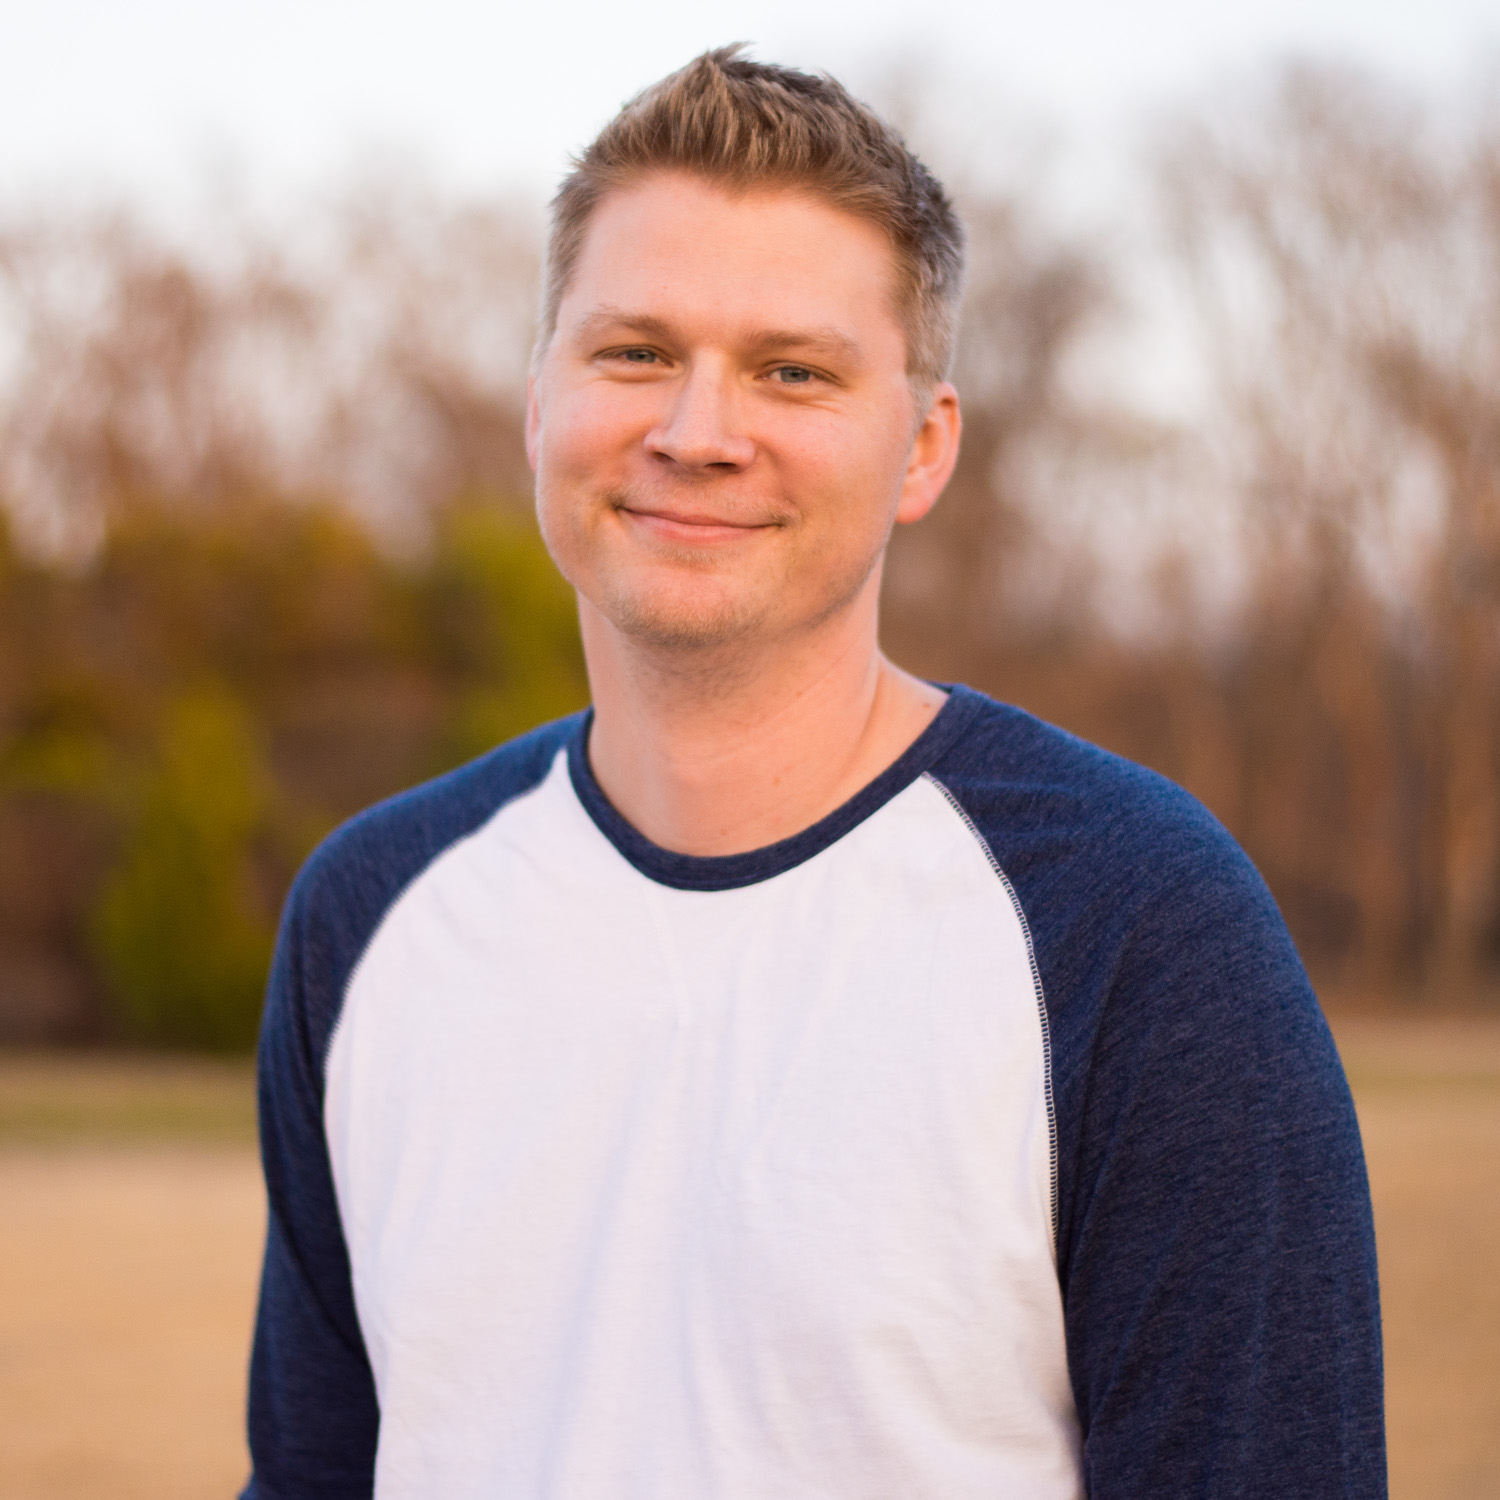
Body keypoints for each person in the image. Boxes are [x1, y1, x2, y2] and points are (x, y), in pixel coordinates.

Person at [242, 47, 1385, 1500]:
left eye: (793, 371)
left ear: (922, 447)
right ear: (541, 403)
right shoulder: (371, 914)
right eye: (636, 351)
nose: (697, 432)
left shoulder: (1139, 928)